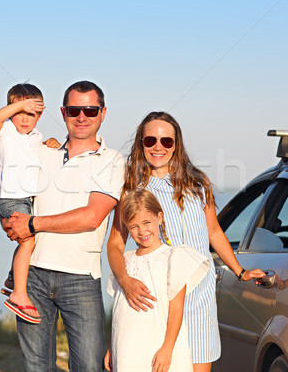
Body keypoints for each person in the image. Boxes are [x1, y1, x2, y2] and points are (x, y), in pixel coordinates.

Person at [107, 111, 265, 372]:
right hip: (156, 304)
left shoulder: (198, 183)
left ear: (176, 145)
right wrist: (124, 280)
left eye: (166, 141)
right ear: (141, 144)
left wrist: (240, 271)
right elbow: (115, 244)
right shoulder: (131, 188)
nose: (158, 147)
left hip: (199, 299)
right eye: (150, 141)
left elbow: (213, 231)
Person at [5, 80, 125, 372]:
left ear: (103, 113)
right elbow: (10, 190)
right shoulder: (43, 153)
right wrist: (9, 222)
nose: (82, 116)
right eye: (74, 110)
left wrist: (31, 224)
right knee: (37, 366)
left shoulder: (111, 160)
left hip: (81, 278)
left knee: (88, 366)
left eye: (90, 110)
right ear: (63, 112)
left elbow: (92, 217)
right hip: (33, 274)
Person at [104, 189, 210, 372]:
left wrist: (167, 349)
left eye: (146, 222)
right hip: (127, 348)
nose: (142, 230)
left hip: (159, 346)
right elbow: (119, 311)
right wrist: (111, 347)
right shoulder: (125, 262)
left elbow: (177, 308)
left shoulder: (173, 257)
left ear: (159, 217)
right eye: (134, 226)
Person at [0, 83, 60, 323]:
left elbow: (35, 155)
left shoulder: (35, 137)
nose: (25, 118)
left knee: (29, 241)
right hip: (9, 198)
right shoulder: (6, 131)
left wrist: (49, 143)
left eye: (32, 113)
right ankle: (19, 295)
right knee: (28, 241)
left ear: (40, 115)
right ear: (11, 110)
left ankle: (12, 278)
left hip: (28, 199)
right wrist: (20, 105)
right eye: (19, 111)